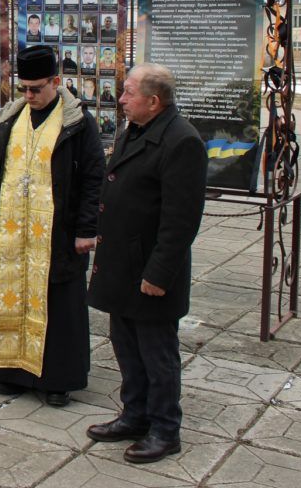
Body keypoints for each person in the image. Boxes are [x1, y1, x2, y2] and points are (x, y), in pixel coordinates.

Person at [87, 64, 207, 464]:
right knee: (126, 348)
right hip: (122, 266)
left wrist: (159, 274)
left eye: (129, 93)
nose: (121, 99)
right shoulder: (134, 130)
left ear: (154, 101)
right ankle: (135, 415)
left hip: (150, 273)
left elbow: (181, 220)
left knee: (157, 354)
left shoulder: (181, 141)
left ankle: (164, 429)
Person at [0, 46, 104, 405]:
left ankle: (57, 379)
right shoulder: (14, 119)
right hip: (16, 232)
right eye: (24, 89)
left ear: (56, 82)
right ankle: (11, 372)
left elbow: (93, 178)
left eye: (36, 89)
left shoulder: (77, 122)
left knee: (59, 305)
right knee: (12, 297)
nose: (29, 96)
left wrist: (86, 229)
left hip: (58, 234)